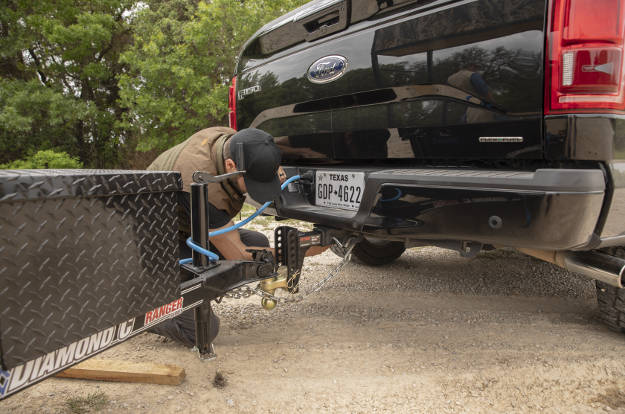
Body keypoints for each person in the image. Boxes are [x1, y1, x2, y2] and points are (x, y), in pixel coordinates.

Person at [145, 126, 323, 348]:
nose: (254, 191)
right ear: (231, 166)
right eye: (254, 183)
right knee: (202, 332)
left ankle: (196, 290)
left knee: (258, 243)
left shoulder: (233, 144)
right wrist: (302, 247)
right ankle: (147, 312)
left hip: (183, 229)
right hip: (149, 246)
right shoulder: (201, 186)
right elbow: (238, 253)